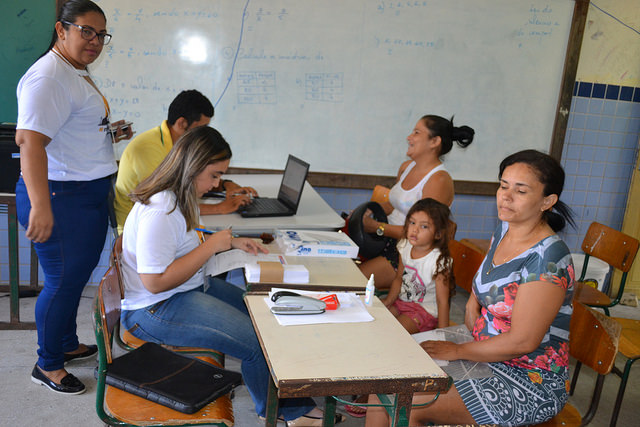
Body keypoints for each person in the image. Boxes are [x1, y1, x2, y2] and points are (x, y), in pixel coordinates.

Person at [119, 126, 341, 426]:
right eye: (214, 175)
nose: (218, 183)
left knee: (263, 315)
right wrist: (212, 246)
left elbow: (181, 246)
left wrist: (230, 242)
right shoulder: (161, 209)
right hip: (154, 308)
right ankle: (282, 412)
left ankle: (291, 401)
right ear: (193, 166)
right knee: (254, 342)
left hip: (184, 290)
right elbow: (154, 282)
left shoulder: (177, 198)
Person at [365, 149, 576, 426]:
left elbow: (522, 342)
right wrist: (472, 301)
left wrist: (456, 351)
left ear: (547, 201)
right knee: (381, 375)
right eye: (503, 186)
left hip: (525, 378)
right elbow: (489, 271)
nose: (506, 196)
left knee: (403, 399)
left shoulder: (548, 260)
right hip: (481, 347)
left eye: (521, 191)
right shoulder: (505, 227)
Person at [15, 0, 134, 395]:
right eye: (86, 31)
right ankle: (47, 364)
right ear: (61, 29)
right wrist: (42, 207)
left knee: (72, 277)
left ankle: (65, 344)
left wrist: (107, 133)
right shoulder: (49, 76)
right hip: (60, 196)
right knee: (64, 283)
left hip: (81, 193)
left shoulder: (72, 71)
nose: (95, 41)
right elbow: (30, 143)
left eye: (101, 35)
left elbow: (64, 131)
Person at [113, 89, 257, 234]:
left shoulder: (178, 145)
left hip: (162, 221)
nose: (203, 134)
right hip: (135, 230)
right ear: (182, 123)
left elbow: (189, 180)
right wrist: (220, 208)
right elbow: (171, 203)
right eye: (201, 128)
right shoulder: (148, 149)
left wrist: (226, 185)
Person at [358, 115, 474, 289]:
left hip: (411, 254)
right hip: (386, 240)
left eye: (417, 132)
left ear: (434, 141)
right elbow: (392, 205)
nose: (409, 137)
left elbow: (422, 234)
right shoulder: (406, 167)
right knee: (340, 266)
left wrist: (377, 227)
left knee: (351, 280)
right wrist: (366, 212)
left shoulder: (439, 180)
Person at [383, 198, 454, 333]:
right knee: (379, 320)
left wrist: (444, 336)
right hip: (402, 302)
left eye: (424, 226)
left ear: (438, 233)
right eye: (412, 222)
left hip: (424, 311)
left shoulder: (439, 262)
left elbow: (442, 301)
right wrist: (388, 301)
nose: (415, 230)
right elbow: (399, 278)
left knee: (393, 332)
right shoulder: (404, 246)